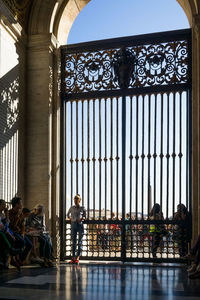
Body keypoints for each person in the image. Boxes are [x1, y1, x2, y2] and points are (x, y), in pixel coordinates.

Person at [9, 197, 33, 266]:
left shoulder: (20, 213)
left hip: (19, 233)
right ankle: (14, 259)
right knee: (22, 242)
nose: (22, 204)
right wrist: (18, 216)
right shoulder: (10, 213)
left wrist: (22, 233)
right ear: (16, 204)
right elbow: (12, 225)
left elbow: (23, 226)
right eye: (21, 203)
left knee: (30, 245)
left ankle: (21, 259)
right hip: (13, 232)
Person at [67, 194, 86, 264]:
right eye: (74, 200)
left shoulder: (82, 208)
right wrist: (71, 219)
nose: (75, 201)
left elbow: (85, 215)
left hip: (80, 224)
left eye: (77, 200)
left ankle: (78, 257)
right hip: (74, 224)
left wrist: (82, 218)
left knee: (80, 241)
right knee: (74, 241)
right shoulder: (71, 208)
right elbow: (67, 214)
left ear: (79, 200)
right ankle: (73, 257)